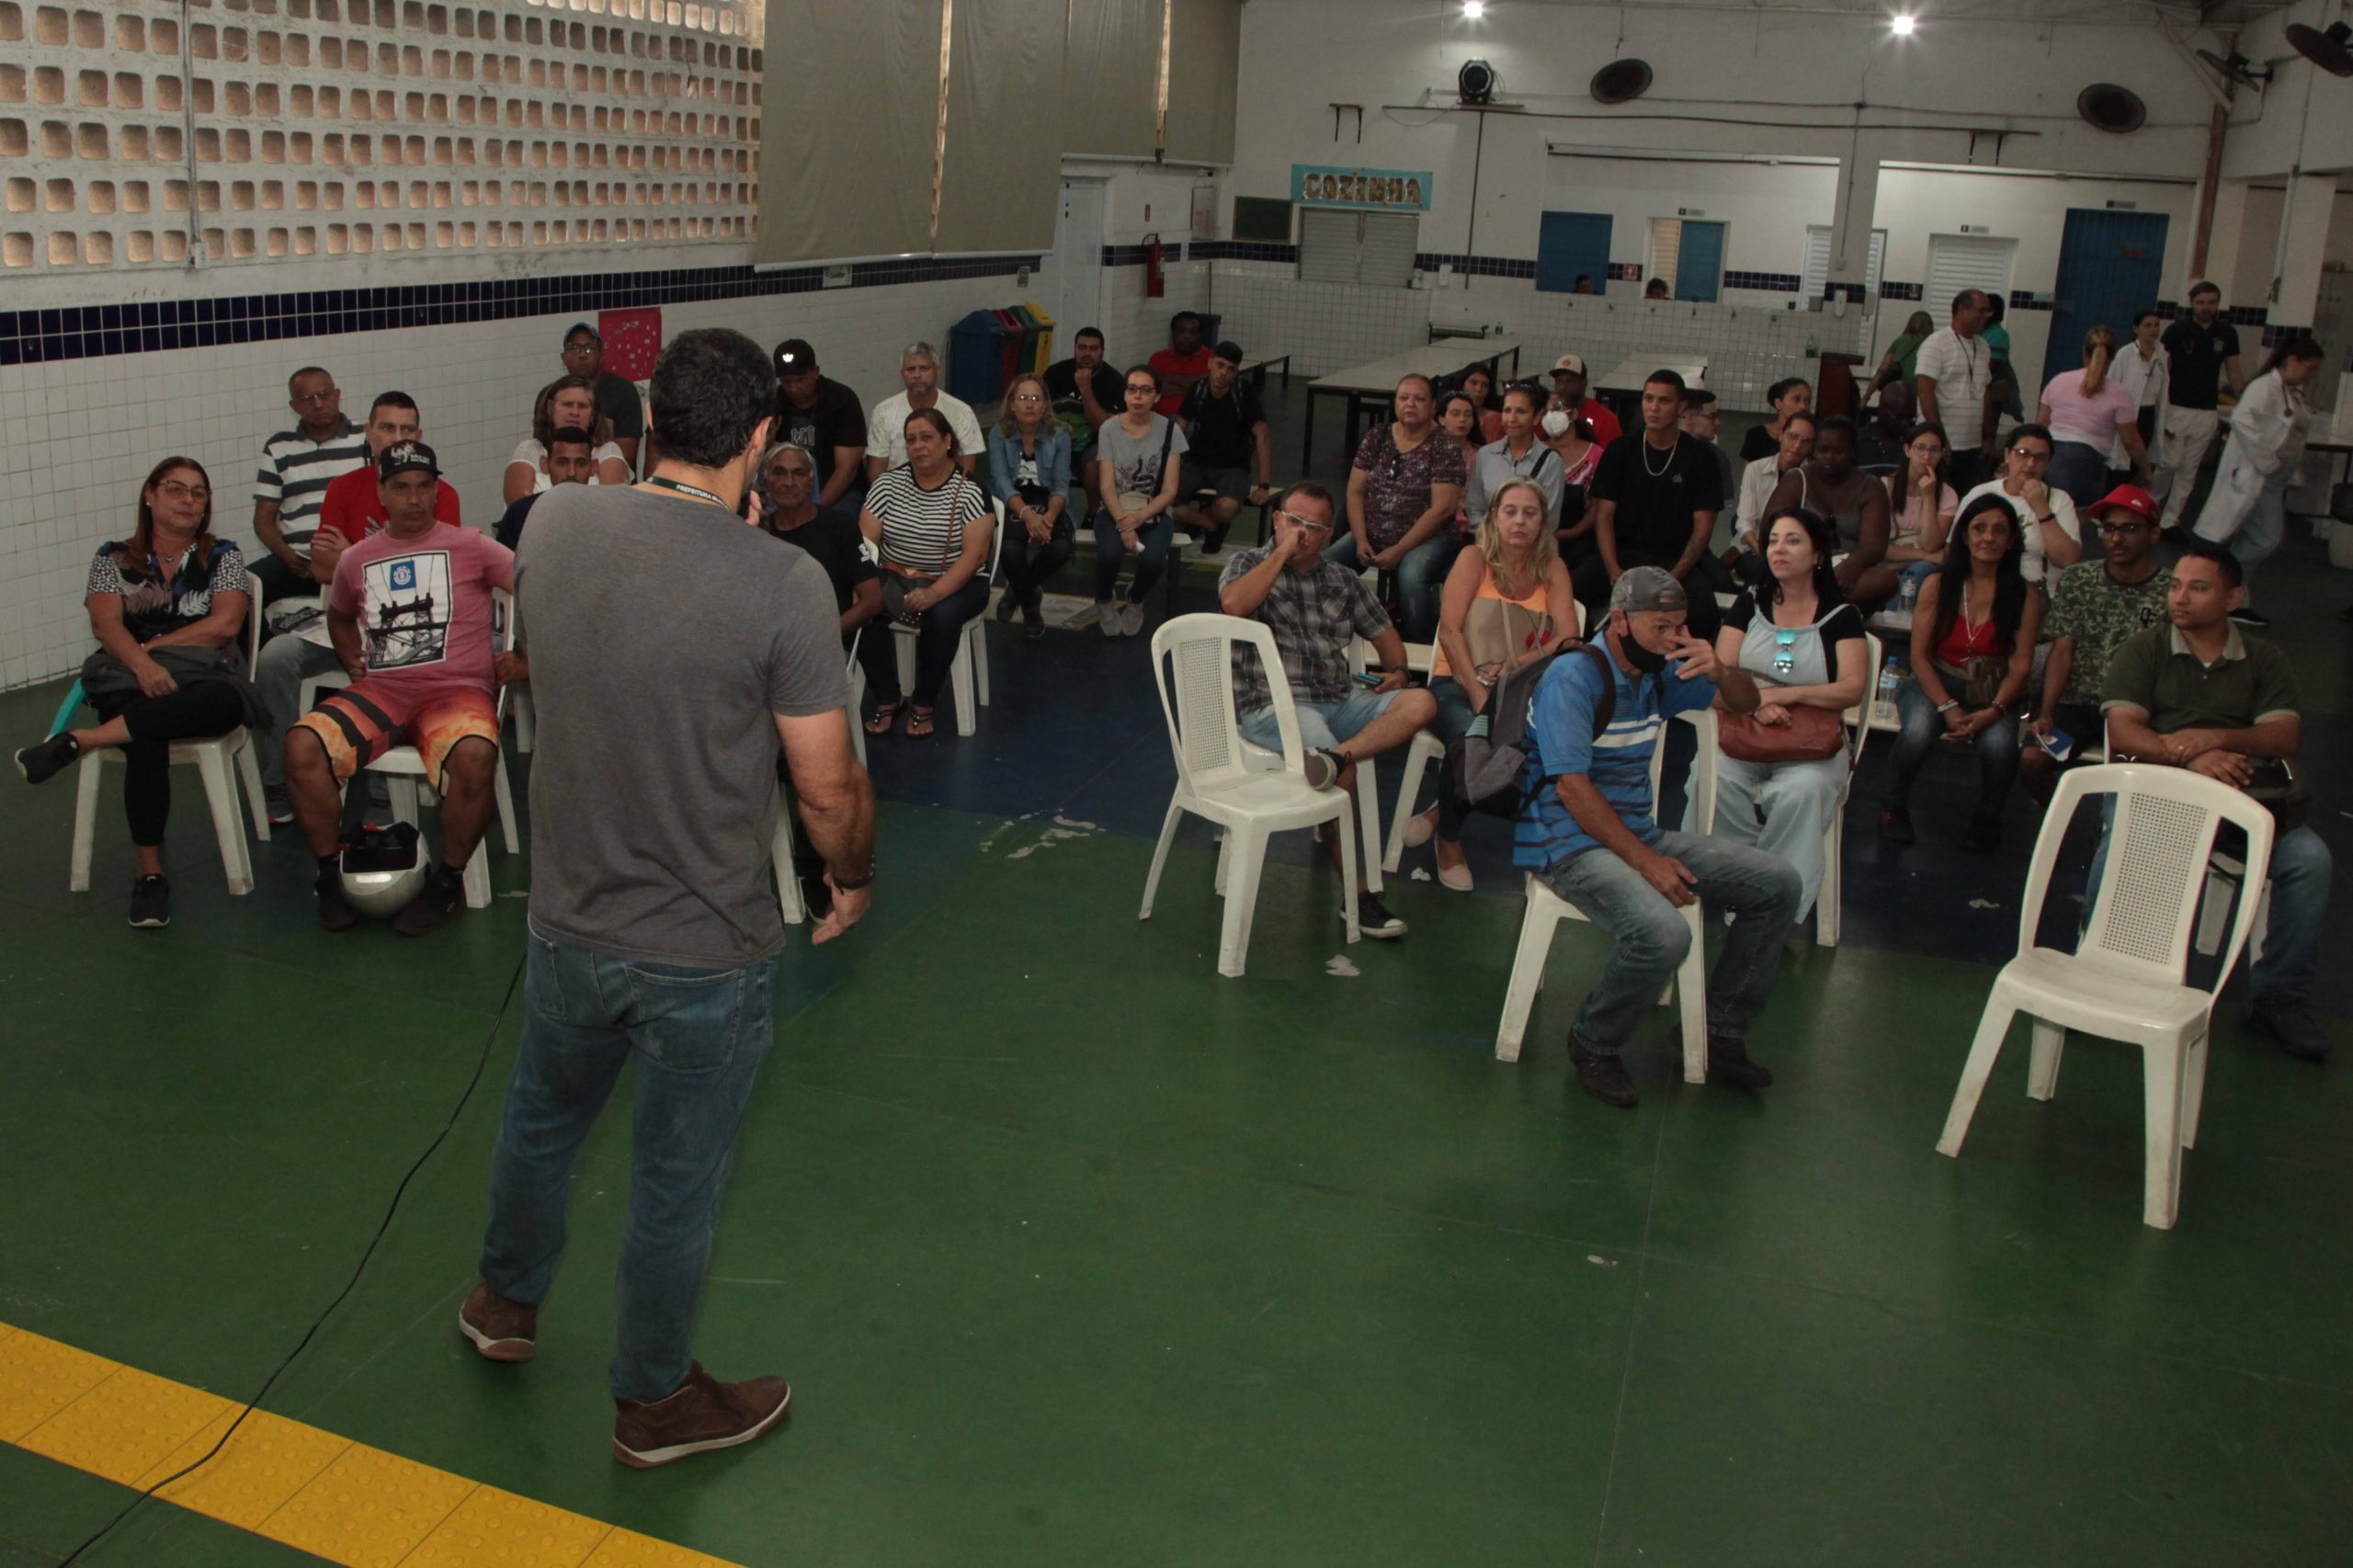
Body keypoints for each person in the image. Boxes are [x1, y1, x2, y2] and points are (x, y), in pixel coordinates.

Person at [463, 325, 872, 1468]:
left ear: (640, 420)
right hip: (703, 946)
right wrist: (851, 875)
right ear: (759, 436)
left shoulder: (553, 521)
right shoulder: (785, 581)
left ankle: (504, 1303)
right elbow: (827, 786)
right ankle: (652, 1402)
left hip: (567, 920)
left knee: (542, 1123)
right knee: (674, 1180)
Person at [1514, 567, 1795, 1108]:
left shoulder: (1659, 671)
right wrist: (1646, 862)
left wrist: (1720, 670)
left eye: (1680, 627)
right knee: (1664, 934)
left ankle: (1719, 1031)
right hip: (1565, 843)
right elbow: (1572, 789)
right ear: (1619, 620)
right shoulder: (1575, 677)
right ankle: (1593, 1040)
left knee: (1777, 883)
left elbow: (1742, 703)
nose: (1672, 639)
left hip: (1634, 832)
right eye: (1660, 626)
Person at [2097, 541, 2333, 1060]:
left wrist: (2214, 739)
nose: (2180, 598)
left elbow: (2283, 735)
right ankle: (2105, 974)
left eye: (2198, 588)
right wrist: (2186, 756)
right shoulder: (2146, 649)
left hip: (2244, 803)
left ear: (2233, 598)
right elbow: (2124, 730)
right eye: (2176, 585)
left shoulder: (2265, 659)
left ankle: (2277, 997)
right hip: (2162, 795)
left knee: (2310, 860)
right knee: (2120, 833)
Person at [14, 458, 263, 930]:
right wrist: (143, 665)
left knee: (224, 702)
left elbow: (225, 625)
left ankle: (82, 741)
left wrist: (154, 649)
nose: (188, 500)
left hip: (203, 678)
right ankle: (150, 874)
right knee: (145, 733)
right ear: (149, 496)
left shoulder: (223, 555)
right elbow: (106, 625)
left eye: (198, 493)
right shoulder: (113, 558)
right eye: (176, 489)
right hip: (129, 675)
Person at [286, 440, 515, 937]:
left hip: (456, 693)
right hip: (383, 693)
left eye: (424, 487)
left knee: (476, 755)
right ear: (382, 494)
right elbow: (339, 615)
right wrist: (349, 656)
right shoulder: (357, 559)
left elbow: (535, 586)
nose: (413, 498)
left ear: (437, 491)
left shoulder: (473, 545)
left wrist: (524, 657)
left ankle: (447, 882)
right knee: (303, 744)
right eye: (401, 488)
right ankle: (329, 876)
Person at [1215, 482, 1433, 940]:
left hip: (1340, 699)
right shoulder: (1248, 564)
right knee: (1346, 776)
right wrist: (1281, 554)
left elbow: (1385, 637)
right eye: (1293, 521)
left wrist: (1396, 672)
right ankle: (1357, 894)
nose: (1302, 534)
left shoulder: (1342, 579)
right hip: (1274, 705)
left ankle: (1335, 758)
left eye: (1313, 527)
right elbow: (1233, 606)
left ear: (1329, 534)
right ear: (1276, 521)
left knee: (1421, 701)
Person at [253, 392, 460, 821]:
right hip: (343, 622)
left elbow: (431, 576)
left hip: (407, 627)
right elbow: (324, 568)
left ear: (419, 436)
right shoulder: (344, 488)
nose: (396, 438)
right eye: (386, 428)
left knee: (395, 661)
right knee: (275, 657)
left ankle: (388, 797)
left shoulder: (441, 494)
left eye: (406, 429)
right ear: (368, 434)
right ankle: (281, 784)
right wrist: (371, 560)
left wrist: (355, 556)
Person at [1398, 476, 1574, 891]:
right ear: (1494, 517)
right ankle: (1450, 841)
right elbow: (1451, 632)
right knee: (1469, 736)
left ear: (1542, 522)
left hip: (1520, 689)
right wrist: (1479, 694)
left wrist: (1513, 665)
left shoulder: (1552, 568)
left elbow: (1567, 637)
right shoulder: (1473, 559)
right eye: (1510, 511)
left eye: (1530, 513)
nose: (1519, 521)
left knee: (1531, 742)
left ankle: (1441, 812)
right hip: (1456, 681)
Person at [1708, 506, 1868, 923]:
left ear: (1818, 555)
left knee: (1801, 792)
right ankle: (1737, 880)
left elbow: (1853, 688)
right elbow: (1722, 673)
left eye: (1793, 540)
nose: (1779, 549)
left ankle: (1774, 902)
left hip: (1811, 747)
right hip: (1744, 734)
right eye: (1774, 540)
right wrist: (1757, 703)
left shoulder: (1841, 616)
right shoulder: (1749, 604)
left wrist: (1786, 693)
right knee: (1713, 777)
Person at [1879, 494, 2042, 852]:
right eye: (1979, 528)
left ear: (2012, 540)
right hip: (1933, 681)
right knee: (1919, 732)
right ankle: (1893, 806)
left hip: (1993, 690)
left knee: (2001, 747)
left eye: (1999, 530)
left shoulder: (2024, 594)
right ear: (1965, 536)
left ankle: (1988, 818)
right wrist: (1947, 706)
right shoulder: (1938, 585)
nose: (1988, 537)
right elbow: (1919, 657)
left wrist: (1995, 711)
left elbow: (2021, 664)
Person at [2020, 483, 2168, 805]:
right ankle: (2062, 826)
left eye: (2130, 529)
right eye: (2109, 528)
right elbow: (2062, 650)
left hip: (2138, 713)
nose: (2116, 538)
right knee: (2032, 761)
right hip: (2077, 706)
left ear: (2154, 533)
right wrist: (2046, 711)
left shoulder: (2172, 591)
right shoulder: (2079, 579)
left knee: (2130, 787)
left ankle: (2107, 836)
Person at [858, 408, 994, 735]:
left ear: (947, 441)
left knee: (943, 615)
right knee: (858, 602)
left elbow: (974, 557)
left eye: (927, 437)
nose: (918, 446)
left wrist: (934, 593)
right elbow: (864, 543)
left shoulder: (972, 491)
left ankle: (924, 703)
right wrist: (868, 584)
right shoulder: (887, 484)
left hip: (958, 581)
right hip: (896, 576)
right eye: (911, 440)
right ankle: (888, 697)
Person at [2190, 335, 2325, 630]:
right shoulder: (2264, 388)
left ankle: (2234, 598)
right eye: (2309, 368)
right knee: (2266, 539)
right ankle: (2225, 580)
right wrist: (2269, 462)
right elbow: (2242, 421)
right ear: (2292, 361)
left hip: (2273, 476)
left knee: (2255, 537)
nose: (2311, 375)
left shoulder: (2289, 390)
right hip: (2259, 473)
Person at [1582, 370, 1725, 640]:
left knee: (1705, 615)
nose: (1654, 408)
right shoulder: (1620, 450)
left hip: (1674, 559)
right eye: (1648, 399)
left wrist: (1676, 575)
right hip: (1622, 554)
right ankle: (1587, 654)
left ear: (1681, 407)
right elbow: (1604, 517)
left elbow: (1703, 527)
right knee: (1573, 592)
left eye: (1664, 401)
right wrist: (1613, 569)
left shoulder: (1701, 457)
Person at [1334, 374, 1468, 643]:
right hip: (1373, 532)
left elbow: (1443, 509)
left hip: (1431, 537)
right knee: (1324, 566)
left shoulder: (1444, 446)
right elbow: (1355, 490)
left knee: (1411, 575)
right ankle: (1328, 634)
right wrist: (1360, 539)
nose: (1410, 404)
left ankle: (1420, 648)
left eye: (1420, 399)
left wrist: (1400, 549)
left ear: (1432, 407)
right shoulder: (1377, 435)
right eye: (1403, 398)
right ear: (1395, 402)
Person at [249, 367, 368, 608]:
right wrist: (287, 556)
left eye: (324, 395)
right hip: (298, 564)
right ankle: (263, 647)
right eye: (308, 399)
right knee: (240, 590)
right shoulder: (279, 447)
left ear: (337, 395)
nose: (318, 404)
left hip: (353, 560)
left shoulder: (365, 440)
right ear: (295, 407)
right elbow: (263, 519)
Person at [1093, 365, 1190, 639]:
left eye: (1146, 390)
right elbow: (1106, 486)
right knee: (1110, 555)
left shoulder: (1171, 431)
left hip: (1153, 511)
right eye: (1132, 389)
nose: (1138, 396)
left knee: (1152, 559)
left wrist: (1139, 519)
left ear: (1156, 396)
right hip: (1115, 510)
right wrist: (1125, 523)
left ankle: (1135, 599)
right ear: (1125, 394)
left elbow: (1170, 491)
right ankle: (1103, 599)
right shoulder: (1109, 429)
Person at [1764, 415, 1893, 611]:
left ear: (1853, 452)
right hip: (1800, 562)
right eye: (1822, 450)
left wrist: (1853, 564)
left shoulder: (1871, 487)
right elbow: (1768, 531)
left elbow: (1874, 546)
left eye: (1838, 451)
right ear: (1814, 449)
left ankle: (1812, 604)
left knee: (1886, 581)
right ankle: (1819, 604)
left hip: (1847, 568)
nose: (1828, 457)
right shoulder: (1796, 479)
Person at [759, 442, 881, 643]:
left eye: (798, 473)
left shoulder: (841, 526)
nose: (789, 482)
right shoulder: (759, 532)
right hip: (770, 647)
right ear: (766, 482)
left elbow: (872, 601)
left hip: (826, 646)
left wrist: (823, 637)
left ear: (811, 481)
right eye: (779, 473)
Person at [984, 372, 1074, 640]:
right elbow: (1000, 480)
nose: (1029, 404)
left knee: (1061, 547)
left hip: (1047, 500)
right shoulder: (998, 434)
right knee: (1010, 551)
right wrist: (1026, 515)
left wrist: (1048, 517)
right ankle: (1031, 606)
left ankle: (1016, 593)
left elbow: (1061, 484)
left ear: (1045, 404)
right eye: (1023, 398)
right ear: (1012, 403)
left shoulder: (1060, 435)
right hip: (1013, 501)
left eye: (1036, 398)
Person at [2156, 282, 2246, 531]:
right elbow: (2164, 368)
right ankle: (2151, 506)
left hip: (2207, 410)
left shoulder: (2227, 333)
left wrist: (2247, 401)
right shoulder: (2177, 330)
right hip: (2177, 406)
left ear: (2218, 303)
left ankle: (2170, 521)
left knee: (2189, 469)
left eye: (2211, 302)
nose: (2206, 307)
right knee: (2169, 463)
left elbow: (2234, 370)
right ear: (2191, 303)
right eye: (2200, 302)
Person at [1173, 341, 1274, 554]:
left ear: (1236, 371)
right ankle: (1208, 524)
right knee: (1161, 500)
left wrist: (1264, 484)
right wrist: (1162, 468)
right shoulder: (1198, 389)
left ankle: (1210, 520)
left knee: (1227, 508)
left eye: (1230, 369)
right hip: (1196, 463)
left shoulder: (1244, 392)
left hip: (1233, 467)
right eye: (1220, 365)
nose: (1223, 373)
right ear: (1210, 363)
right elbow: (1177, 431)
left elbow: (1262, 436)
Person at [2037, 327, 2150, 513]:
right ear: (2113, 356)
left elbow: (2040, 425)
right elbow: (2131, 441)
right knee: (2076, 518)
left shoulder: (2058, 380)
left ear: (2084, 351)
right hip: (2088, 462)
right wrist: (2146, 471)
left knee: (2046, 513)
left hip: (2052, 456)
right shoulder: (2120, 393)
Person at [1955, 424, 2082, 586]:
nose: (2030, 464)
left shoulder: (2059, 499)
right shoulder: (1980, 493)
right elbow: (1955, 548)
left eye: (2040, 458)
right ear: (2008, 455)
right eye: (2023, 453)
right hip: (1981, 586)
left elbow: (2067, 560)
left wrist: (2042, 508)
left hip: (2034, 589)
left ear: (2048, 463)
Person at [1915, 289, 1998, 492]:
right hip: (1944, 444)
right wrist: (1939, 440)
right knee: (1938, 499)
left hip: (1972, 444)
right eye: (1982, 310)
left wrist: (1988, 436)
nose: (1986, 317)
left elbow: (1985, 391)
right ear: (1962, 310)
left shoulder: (1984, 345)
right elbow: (1925, 392)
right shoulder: (1935, 344)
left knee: (1965, 499)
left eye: (1988, 311)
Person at [770, 338, 867, 509]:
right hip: (788, 488)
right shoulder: (775, 402)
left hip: (838, 492)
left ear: (815, 372)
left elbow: (847, 470)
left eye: (800, 380)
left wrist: (815, 510)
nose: (793, 388)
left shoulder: (841, 400)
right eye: (786, 382)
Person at [864, 343, 982, 482]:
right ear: (902, 374)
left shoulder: (961, 412)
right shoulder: (883, 412)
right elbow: (876, 475)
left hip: (947, 494)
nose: (917, 375)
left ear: (938, 371)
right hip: (897, 494)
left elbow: (966, 475)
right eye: (910, 369)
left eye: (924, 368)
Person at [504, 375, 631, 502]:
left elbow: (613, 505)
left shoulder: (608, 450)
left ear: (592, 415)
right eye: (567, 404)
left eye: (582, 406)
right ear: (550, 408)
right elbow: (518, 508)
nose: (575, 412)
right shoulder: (529, 449)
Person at [1465, 384, 1565, 533]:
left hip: (1530, 549)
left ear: (1537, 417)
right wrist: (1492, 539)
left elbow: (1549, 519)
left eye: (1521, 411)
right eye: (1507, 410)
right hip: (1487, 543)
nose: (1512, 418)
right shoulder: (1485, 455)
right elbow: (1474, 508)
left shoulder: (1551, 461)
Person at [1046, 326, 1123, 518]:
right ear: (1074, 349)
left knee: (1096, 464)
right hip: (1055, 439)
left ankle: (1094, 513)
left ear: (1102, 351)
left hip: (1093, 443)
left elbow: (1104, 428)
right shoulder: (1056, 373)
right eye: (1082, 347)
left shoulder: (1114, 381)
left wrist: (1085, 389)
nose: (1087, 353)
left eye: (1093, 349)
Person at [557, 323, 645, 475]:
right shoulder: (554, 394)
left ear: (601, 357)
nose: (583, 354)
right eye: (574, 348)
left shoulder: (623, 392)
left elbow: (626, 460)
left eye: (590, 348)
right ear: (564, 357)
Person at [1881, 420, 1958, 594]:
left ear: (1942, 454)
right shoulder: (1885, 487)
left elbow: (1931, 545)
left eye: (1934, 450)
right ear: (1908, 450)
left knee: (1920, 570)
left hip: (1919, 567)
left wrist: (1929, 496)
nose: (1926, 456)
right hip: (1885, 562)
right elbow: (1878, 546)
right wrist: (1925, 555)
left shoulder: (1948, 495)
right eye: (1920, 448)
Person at [495, 426, 598, 551]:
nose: (571, 473)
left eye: (581, 464)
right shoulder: (521, 514)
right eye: (561, 463)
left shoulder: (607, 516)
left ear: (593, 467)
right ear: (545, 465)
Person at [1732, 411, 1816, 563]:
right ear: (1781, 435)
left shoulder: (1812, 477)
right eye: (1792, 436)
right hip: (1755, 548)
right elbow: (1744, 522)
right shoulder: (1755, 469)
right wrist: (1762, 552)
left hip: (1795, 553)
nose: (1797, 446)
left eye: (1805, 441)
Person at [2111, 309, 2168, 478]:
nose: (2153, 330)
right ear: (2136, 329)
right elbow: (2112, 382)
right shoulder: (2125, 354)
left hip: (2148, 413)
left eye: (2156, 325)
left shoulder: (2163, 354)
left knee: (2140, 457)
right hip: (2127, 413)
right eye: (2147, 325)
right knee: (2121, 459)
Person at [1547, 355, 1622, 449]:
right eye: (1559, 381)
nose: (1563, 386)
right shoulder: (1547, 416)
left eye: (1570, 381)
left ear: (1585, 383)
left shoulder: (1606, 419)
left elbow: (1613, 458)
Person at [1148, 311, 1212, 417]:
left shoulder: (1212, 358)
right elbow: (1151, 390)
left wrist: (1169, 380)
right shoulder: (1158, 358)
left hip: (1198, 422)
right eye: (1181, 332)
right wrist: (1197, 385)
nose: (1186, 336)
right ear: (1173, 333)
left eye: (1192, 332)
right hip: (1160, 421)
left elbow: (1210, 392)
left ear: (1200, 335)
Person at [1739, 377, 1814, 464]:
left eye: (1807, 401)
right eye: (1796, 400)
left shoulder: (1812, 439)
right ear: (1779, 403)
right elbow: (1750, 473)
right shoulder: (1756, 435)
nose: (1803, 406)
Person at [1853, 380, 1915, 478]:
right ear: (1880, 410)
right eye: (1900, 417)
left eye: (1910, 418)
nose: (1905, 423)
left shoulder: (1913, 447)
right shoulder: (1855, 442)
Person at [1872, 310, 1937, 394]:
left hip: (1899, 392)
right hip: (1922, 392)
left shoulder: (1900, 341)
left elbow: (1882, 369)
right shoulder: (1934, 343)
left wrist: (1866, 398)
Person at [1459, 364, 1506, 444]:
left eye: (1484, 385)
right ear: (1462, 384)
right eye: (1473, 383)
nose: (1478, 389)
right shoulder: (1447, 414)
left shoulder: (1497, 420)